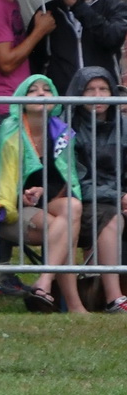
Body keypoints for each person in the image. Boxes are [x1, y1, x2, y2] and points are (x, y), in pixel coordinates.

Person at [0, 75, 85, 313]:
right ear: (21, 99)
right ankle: (73, 305)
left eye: (47, 89)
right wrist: (20, 196)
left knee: (73, 207)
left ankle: (44, 282)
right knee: (66, 230)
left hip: (48, 204)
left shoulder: (62, 132)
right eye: (33, 90)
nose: (42, 93)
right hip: (9, 209)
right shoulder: (9, 131)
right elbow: (1, 182)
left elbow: (68, 179)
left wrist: (43, 191)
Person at [66, 67, 127, 312]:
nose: (97, 95)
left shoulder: (124, 125)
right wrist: (120, 197)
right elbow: (76, 181)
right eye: (90, 90)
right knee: (112, 217)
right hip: (84, 202)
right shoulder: (67, 129)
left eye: (103, 89)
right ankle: (115, 298)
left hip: (119, 197)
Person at [39, 0, 127, 93]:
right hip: (61, 100)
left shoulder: (114, 6)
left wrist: (78, 5)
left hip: (102, 98)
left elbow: (113, 38)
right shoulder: (48, 11)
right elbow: (37, 60)